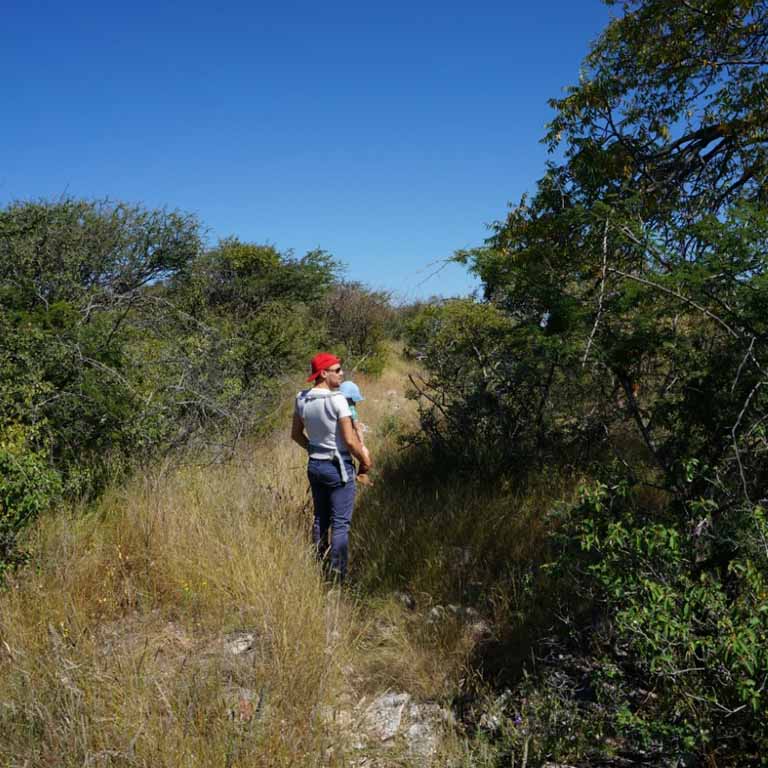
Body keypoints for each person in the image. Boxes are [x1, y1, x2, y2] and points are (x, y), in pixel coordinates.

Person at [292, 352, 372, 581]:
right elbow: (349, 440)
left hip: (315, 465)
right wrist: (365, 461)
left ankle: (319, 565)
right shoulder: (337, 400)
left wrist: (312, 449)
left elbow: (296, 434)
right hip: (339, 468)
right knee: (340, 524)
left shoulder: (301, 398)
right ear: (323, 374)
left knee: (320, 518)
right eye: (337, 370)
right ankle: (338, 576)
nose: (341, 373)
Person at [339, 380, 373, 486]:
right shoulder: (351, 408)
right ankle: (361, 475)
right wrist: (361, 443)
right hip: (349, 438)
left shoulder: (334, 404)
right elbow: (357, 427)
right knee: (366, 460)